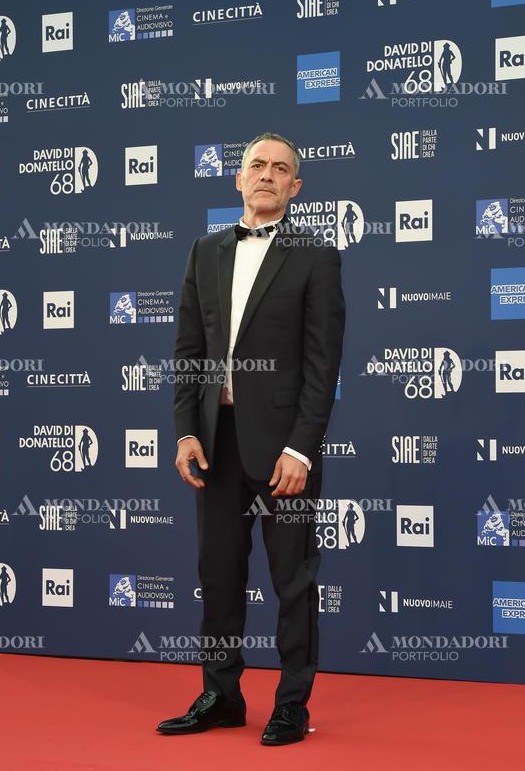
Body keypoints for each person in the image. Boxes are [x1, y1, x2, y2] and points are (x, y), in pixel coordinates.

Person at [157, 132, 345, 745]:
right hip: (216, 440)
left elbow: (323, 365)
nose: (266, 175)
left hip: (284, 446)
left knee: (292, 577)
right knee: (216, 573)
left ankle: (292, 703)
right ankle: (221, 693)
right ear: (237, 180)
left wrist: (302, 448)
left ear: (295, 187)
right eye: (256, 166)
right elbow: (189, 351)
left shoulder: (315, 256)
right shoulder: (203, 252)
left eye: (280, 168)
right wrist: (185, 429)